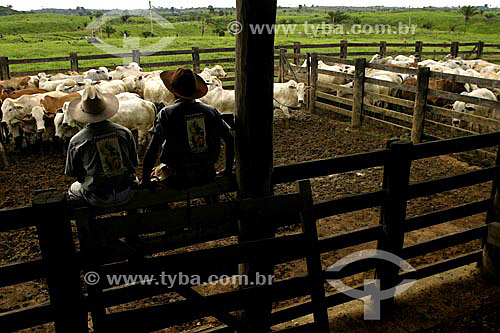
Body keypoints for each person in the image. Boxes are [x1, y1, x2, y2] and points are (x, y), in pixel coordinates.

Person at [142, 67, 234, 189]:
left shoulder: (166, 114)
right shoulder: (210, 111)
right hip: (206, 173)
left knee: (156, 173)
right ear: (195, 90)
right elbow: (229, 139)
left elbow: (153, 148)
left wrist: (145, 179)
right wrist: (227, 170)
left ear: (174, 91)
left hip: (177, 176)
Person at [65, 86, 139, 208]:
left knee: (73, 189)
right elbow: (134, 162)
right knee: (133, 179)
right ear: (106, 108)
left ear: (83, 111)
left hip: (97, 197)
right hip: (126, 192)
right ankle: (131, 215)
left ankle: (89, 221)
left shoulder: (77, 140)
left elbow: (72, 171)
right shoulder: (124, 133)